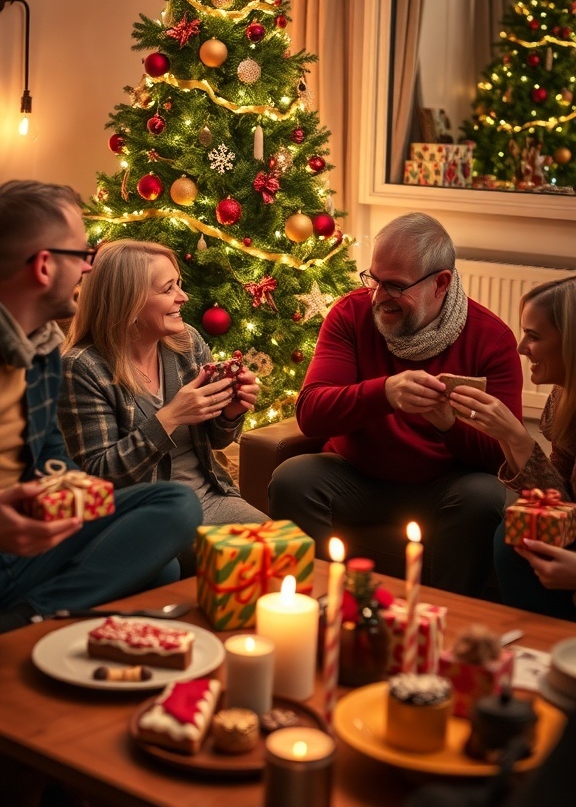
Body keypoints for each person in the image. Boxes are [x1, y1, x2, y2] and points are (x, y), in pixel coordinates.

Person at [268, 212, 523, 596]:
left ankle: (449, 620)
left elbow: (501, 458)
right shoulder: (351, 314)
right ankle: (312, 605)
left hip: (444, 485)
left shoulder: (491, 340)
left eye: (394, 285)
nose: (377, 296)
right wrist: (384, 393)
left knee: (483, 496)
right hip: (356, 475)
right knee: (293, 478)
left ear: (441, 283)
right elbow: (311, 411)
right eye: (373, 279)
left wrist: (447, 425)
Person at [0, 180, 202, 634]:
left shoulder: (42, 351)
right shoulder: (79, 364)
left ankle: (39, 611)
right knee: (160, 558)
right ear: (45, 266)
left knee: (172, 515)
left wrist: (68, 497)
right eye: (81, 255)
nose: (90, 270)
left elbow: (55, 461)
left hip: (34, 539)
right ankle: (30, 617)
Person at [58, 240, 268, 556]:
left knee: (278, 548)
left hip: (211, 500)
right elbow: (98, 476)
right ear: (128, 302)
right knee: (239, 565)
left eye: (178, 285)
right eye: (168, 289)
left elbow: (216, 441)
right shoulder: (82, 367)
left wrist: (229, 413)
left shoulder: (186, 343)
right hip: (140, 517)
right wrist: (170, 416)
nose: (183, 297)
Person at [448, 276, 576, 620]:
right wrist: (508, 436)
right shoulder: (564, 397)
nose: (521, 348)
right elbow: (560, 504)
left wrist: (517, 438)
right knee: (516, 530)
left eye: (533, 336)